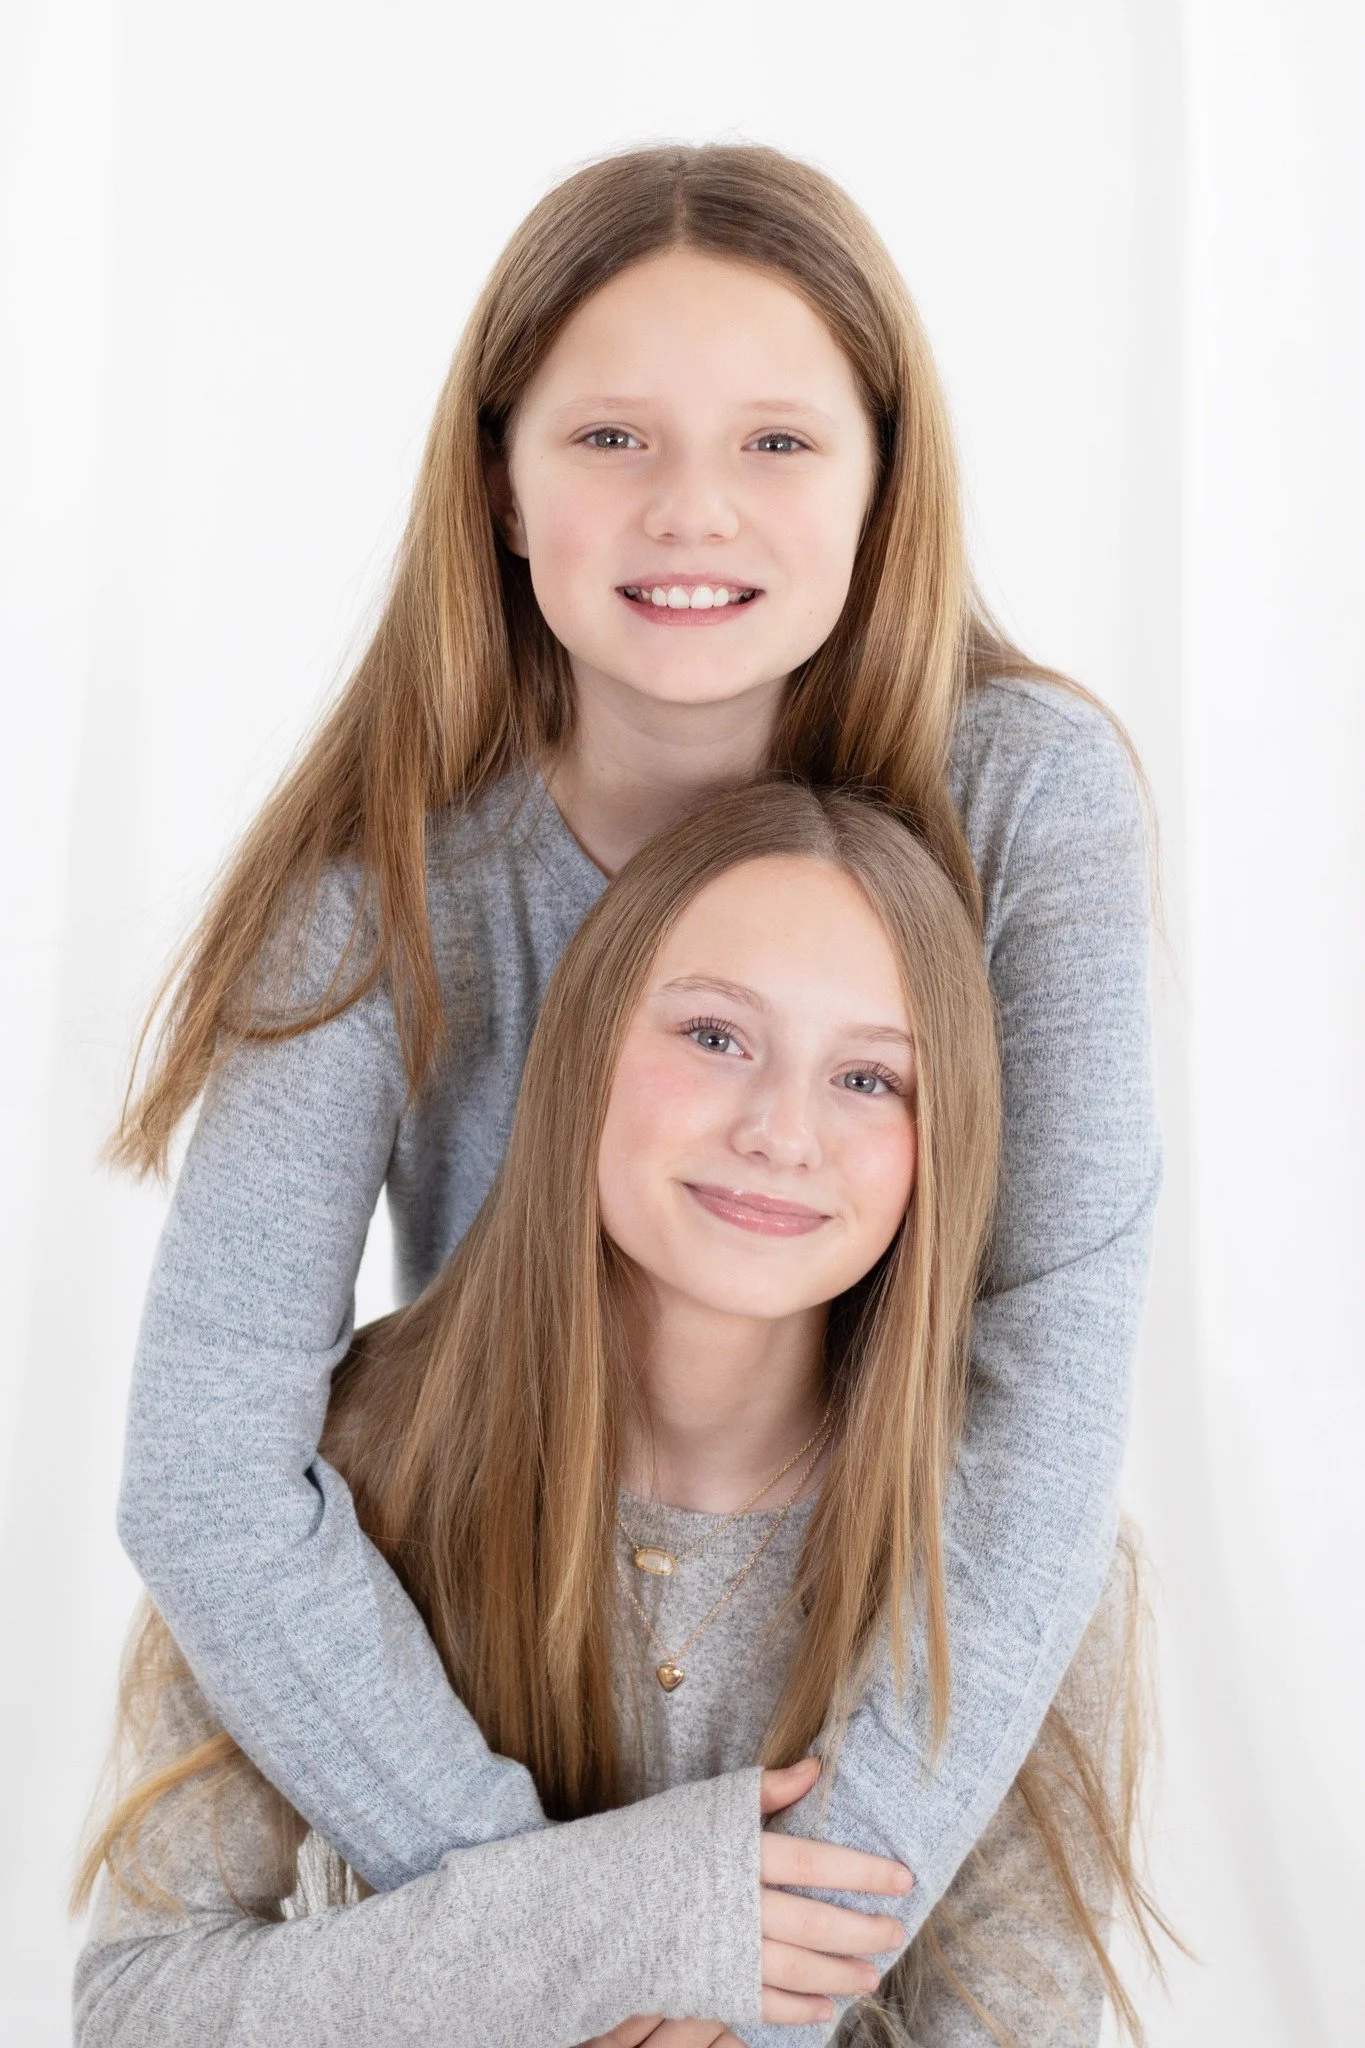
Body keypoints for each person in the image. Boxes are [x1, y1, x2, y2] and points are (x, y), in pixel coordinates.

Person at [102, 144, 1158, 2041]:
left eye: (777, 441)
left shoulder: (1026, 798)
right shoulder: (380, 885)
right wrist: (590, 1923)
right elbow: (205, 1464)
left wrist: (756, 1975)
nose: (692, 507)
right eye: (607, 437)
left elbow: (1055, 1376)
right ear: (500, 478)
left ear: (884, 481)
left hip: (845, 1631)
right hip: (503, 1630)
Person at [76, 785, 1156, 2047]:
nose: (782, 1131)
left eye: (870, 1076)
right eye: (714, 1035)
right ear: (585, 1045)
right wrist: (626, 1911)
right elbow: (140, 2011)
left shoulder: (1008, 1569)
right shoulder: (337, 1485)